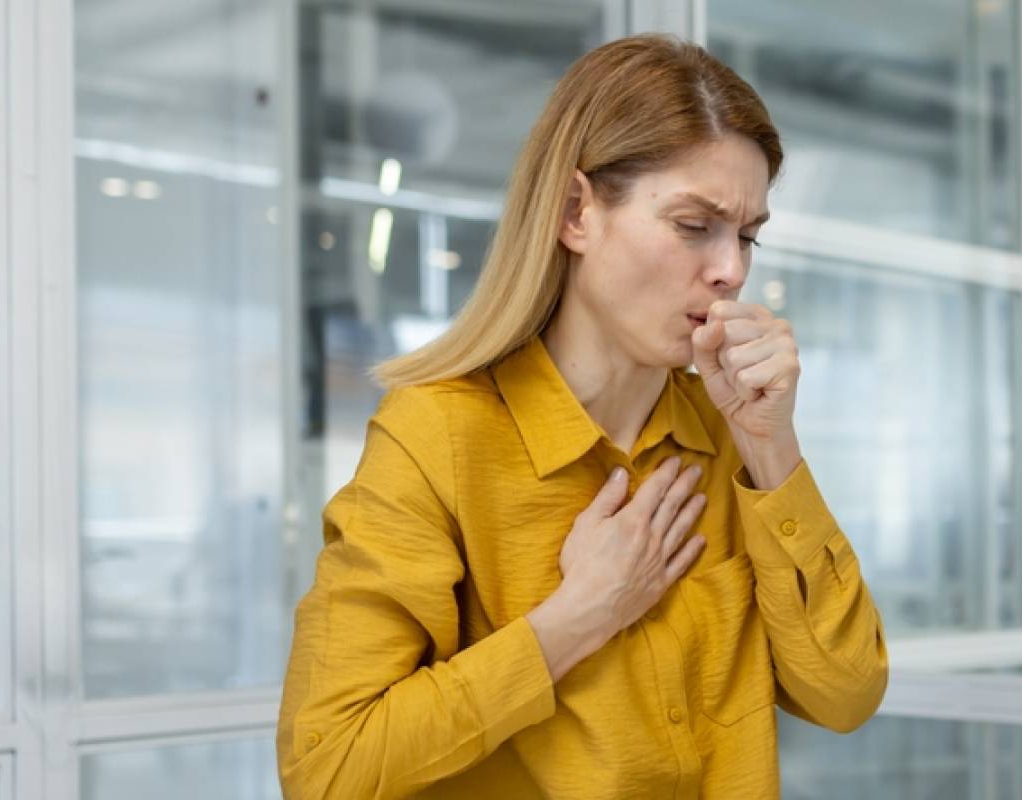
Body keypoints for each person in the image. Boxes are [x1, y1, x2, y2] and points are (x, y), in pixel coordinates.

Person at [275, 34, 888, 798]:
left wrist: (774, 448)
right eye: (695, 226)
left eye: (748, 234)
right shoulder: (436, 435)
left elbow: (847, 692)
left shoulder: (734, 440)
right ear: (575, 212)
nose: (731, 268)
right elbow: (328, 768)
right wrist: (574, 620)